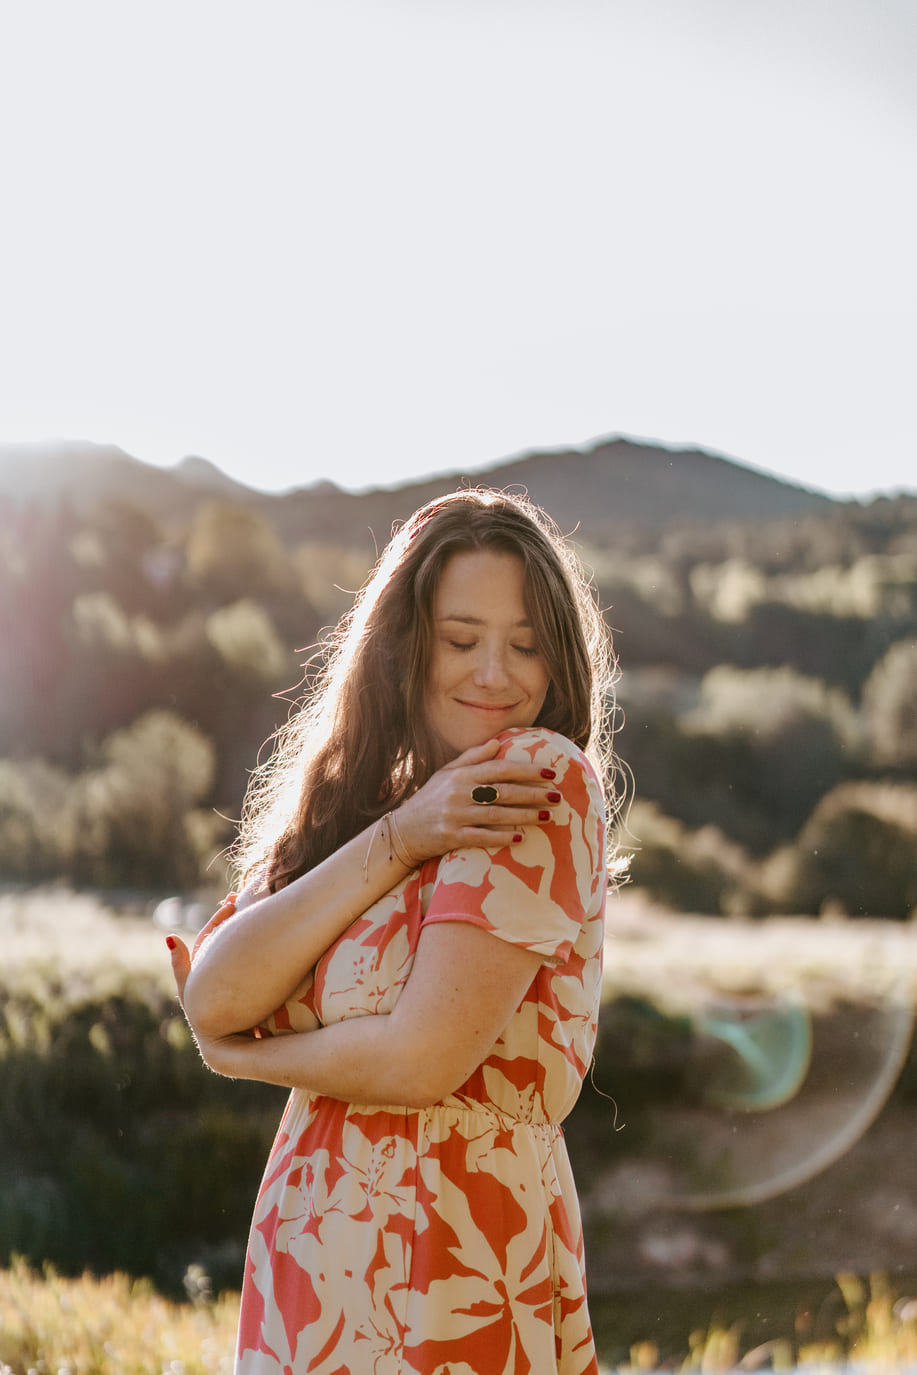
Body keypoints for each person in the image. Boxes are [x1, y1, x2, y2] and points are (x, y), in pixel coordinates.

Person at [168, 488, 621, 1375]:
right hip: (313, 1254)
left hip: (459, 1246)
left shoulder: (537, 781)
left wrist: (251, 1057)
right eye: (461, 640)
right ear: (403, 650)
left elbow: (420, 1060)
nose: (494, 673)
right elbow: (214, 992)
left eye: (525, 644)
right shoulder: (357, 805)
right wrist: (401, 835)